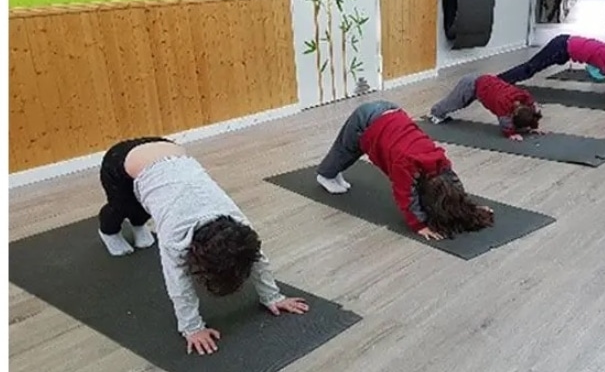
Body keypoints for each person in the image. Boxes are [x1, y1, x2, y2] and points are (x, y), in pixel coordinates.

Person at [97, 137, 309, 355]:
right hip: (121, 161)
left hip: (166, 152)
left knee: (145, 207)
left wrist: (273, 297)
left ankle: (138, 224)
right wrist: (192, 328)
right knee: (123, 207)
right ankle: (108, 232)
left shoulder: (240, 226)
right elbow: (177, 282)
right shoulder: (175, 238)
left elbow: (257, 258)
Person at [315, 100, 494, 240]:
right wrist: (419, 225)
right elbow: (406, 197)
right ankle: (325, 175)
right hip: (366, 118)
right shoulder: (407, 167)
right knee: (347, 150)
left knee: (350, 150)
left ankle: (332, 173)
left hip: (391, 111)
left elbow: (454, 183)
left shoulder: (439, 160)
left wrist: (467, 206)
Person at [497, 34, 605, 108]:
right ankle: (497, 82)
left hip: (565, 47)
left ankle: (498, 81)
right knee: (529, 69)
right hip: (562, 47)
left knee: (530, 69)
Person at [427, 74, 544, 141]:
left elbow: (533, 112)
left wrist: (534, 126)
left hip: (484, 83)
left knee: (460, 104)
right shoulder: (502, 103)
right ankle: (435, 114)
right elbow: (505, 124)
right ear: (513, 115)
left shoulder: (524, 97)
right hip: (471, 85)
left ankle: (438, 113)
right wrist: (511, 134)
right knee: (454, 103)